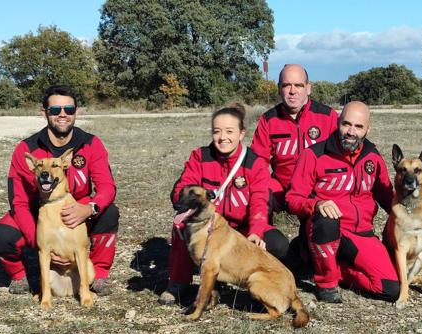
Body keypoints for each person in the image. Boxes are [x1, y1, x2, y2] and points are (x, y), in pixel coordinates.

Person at [159, 104, 290, 305]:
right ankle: (178, 281)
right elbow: (182, 187)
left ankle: (241, 279)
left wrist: (256, 232)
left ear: (241, 133)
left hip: (241, 229)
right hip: (210, 227)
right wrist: (184, 201)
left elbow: (259, 201)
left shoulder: (255, 162)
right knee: (181, 225)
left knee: (277, 244)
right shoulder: (200, 157)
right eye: (217, 131)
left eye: (230, 131)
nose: (223, 138)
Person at [0, 85, 119, 296]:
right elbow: (18, 201)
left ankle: (98, 275)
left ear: (76, 112)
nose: (62, 115)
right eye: (55, 110)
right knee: (1, 234)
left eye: (69, 109)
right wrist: (43, 244)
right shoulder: (26, 149)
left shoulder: (91, 143)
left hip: (78, 211)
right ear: (44, 113)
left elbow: (107, 186)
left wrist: (89, 208)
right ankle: (19, 276)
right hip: (40, 214)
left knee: (109, 212)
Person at [286, 101, 400, 303]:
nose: (351, 132)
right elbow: (293, 199)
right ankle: (326, 283)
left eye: (358, 127)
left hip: (361, 233)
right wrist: (316, 204)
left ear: (367, 129)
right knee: (326, 219)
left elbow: (387, 197)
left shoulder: (372, 156)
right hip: (326, 227)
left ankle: (330, 266)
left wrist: (411, 214)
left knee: (389, 289)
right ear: (337, 122)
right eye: (346, 124)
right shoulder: (314, 154)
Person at [251, 64, 339, 211]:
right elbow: (257, 163)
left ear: (308, 88)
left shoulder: (328, 116)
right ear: (279, 88)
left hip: (319, 190)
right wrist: (265, 189)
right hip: (282, 190)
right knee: (256, 195)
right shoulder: (268, 120)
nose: (292, 91)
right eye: (287, 85)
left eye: (298, 85)